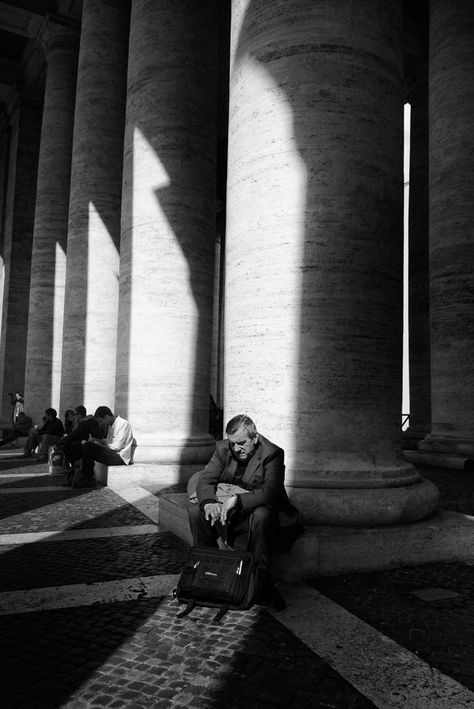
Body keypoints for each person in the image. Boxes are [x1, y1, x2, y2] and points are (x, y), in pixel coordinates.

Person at [188, 414, 291, 610]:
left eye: (242, 443)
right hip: (227, 508)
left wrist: (237, 500)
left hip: (256, 508)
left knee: (263, 515)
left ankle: (260, 582)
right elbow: (206, 479)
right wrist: (209, 502)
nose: (236, 449)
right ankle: (206, 573)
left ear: (255, 437)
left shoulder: (273, 453)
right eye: (233, 444)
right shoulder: (222, 448)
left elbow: (271, 493)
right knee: (196, 510)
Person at [78, 406, 135, 485]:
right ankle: (87, 476)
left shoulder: (123, 424)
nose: (101, 424)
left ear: (106, 417)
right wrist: (95, 440)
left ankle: (88, 478)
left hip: (120, 457)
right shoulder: (110, 425)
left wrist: (96, 444)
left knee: (88, 447)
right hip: (113, 454)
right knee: (86, 445)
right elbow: (108, 442)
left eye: (101, 421)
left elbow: (116, 447)